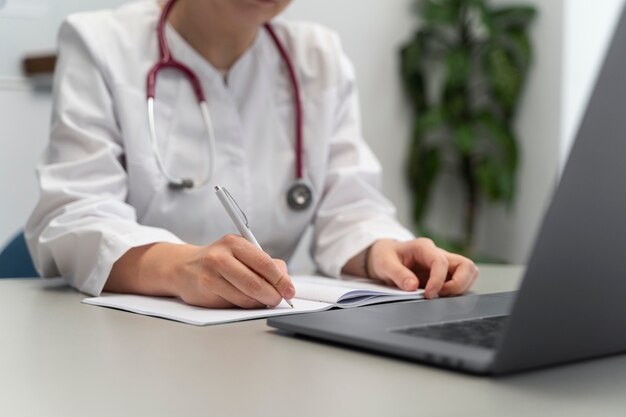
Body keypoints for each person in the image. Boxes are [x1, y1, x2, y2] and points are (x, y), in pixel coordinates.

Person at [25, 0, 479, 309]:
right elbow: (76, 217)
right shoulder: (101, 44)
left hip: (268, 337)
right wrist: (182, 268)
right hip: (122, 346)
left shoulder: (318, 57)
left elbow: (352, 209)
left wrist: (384, 250)